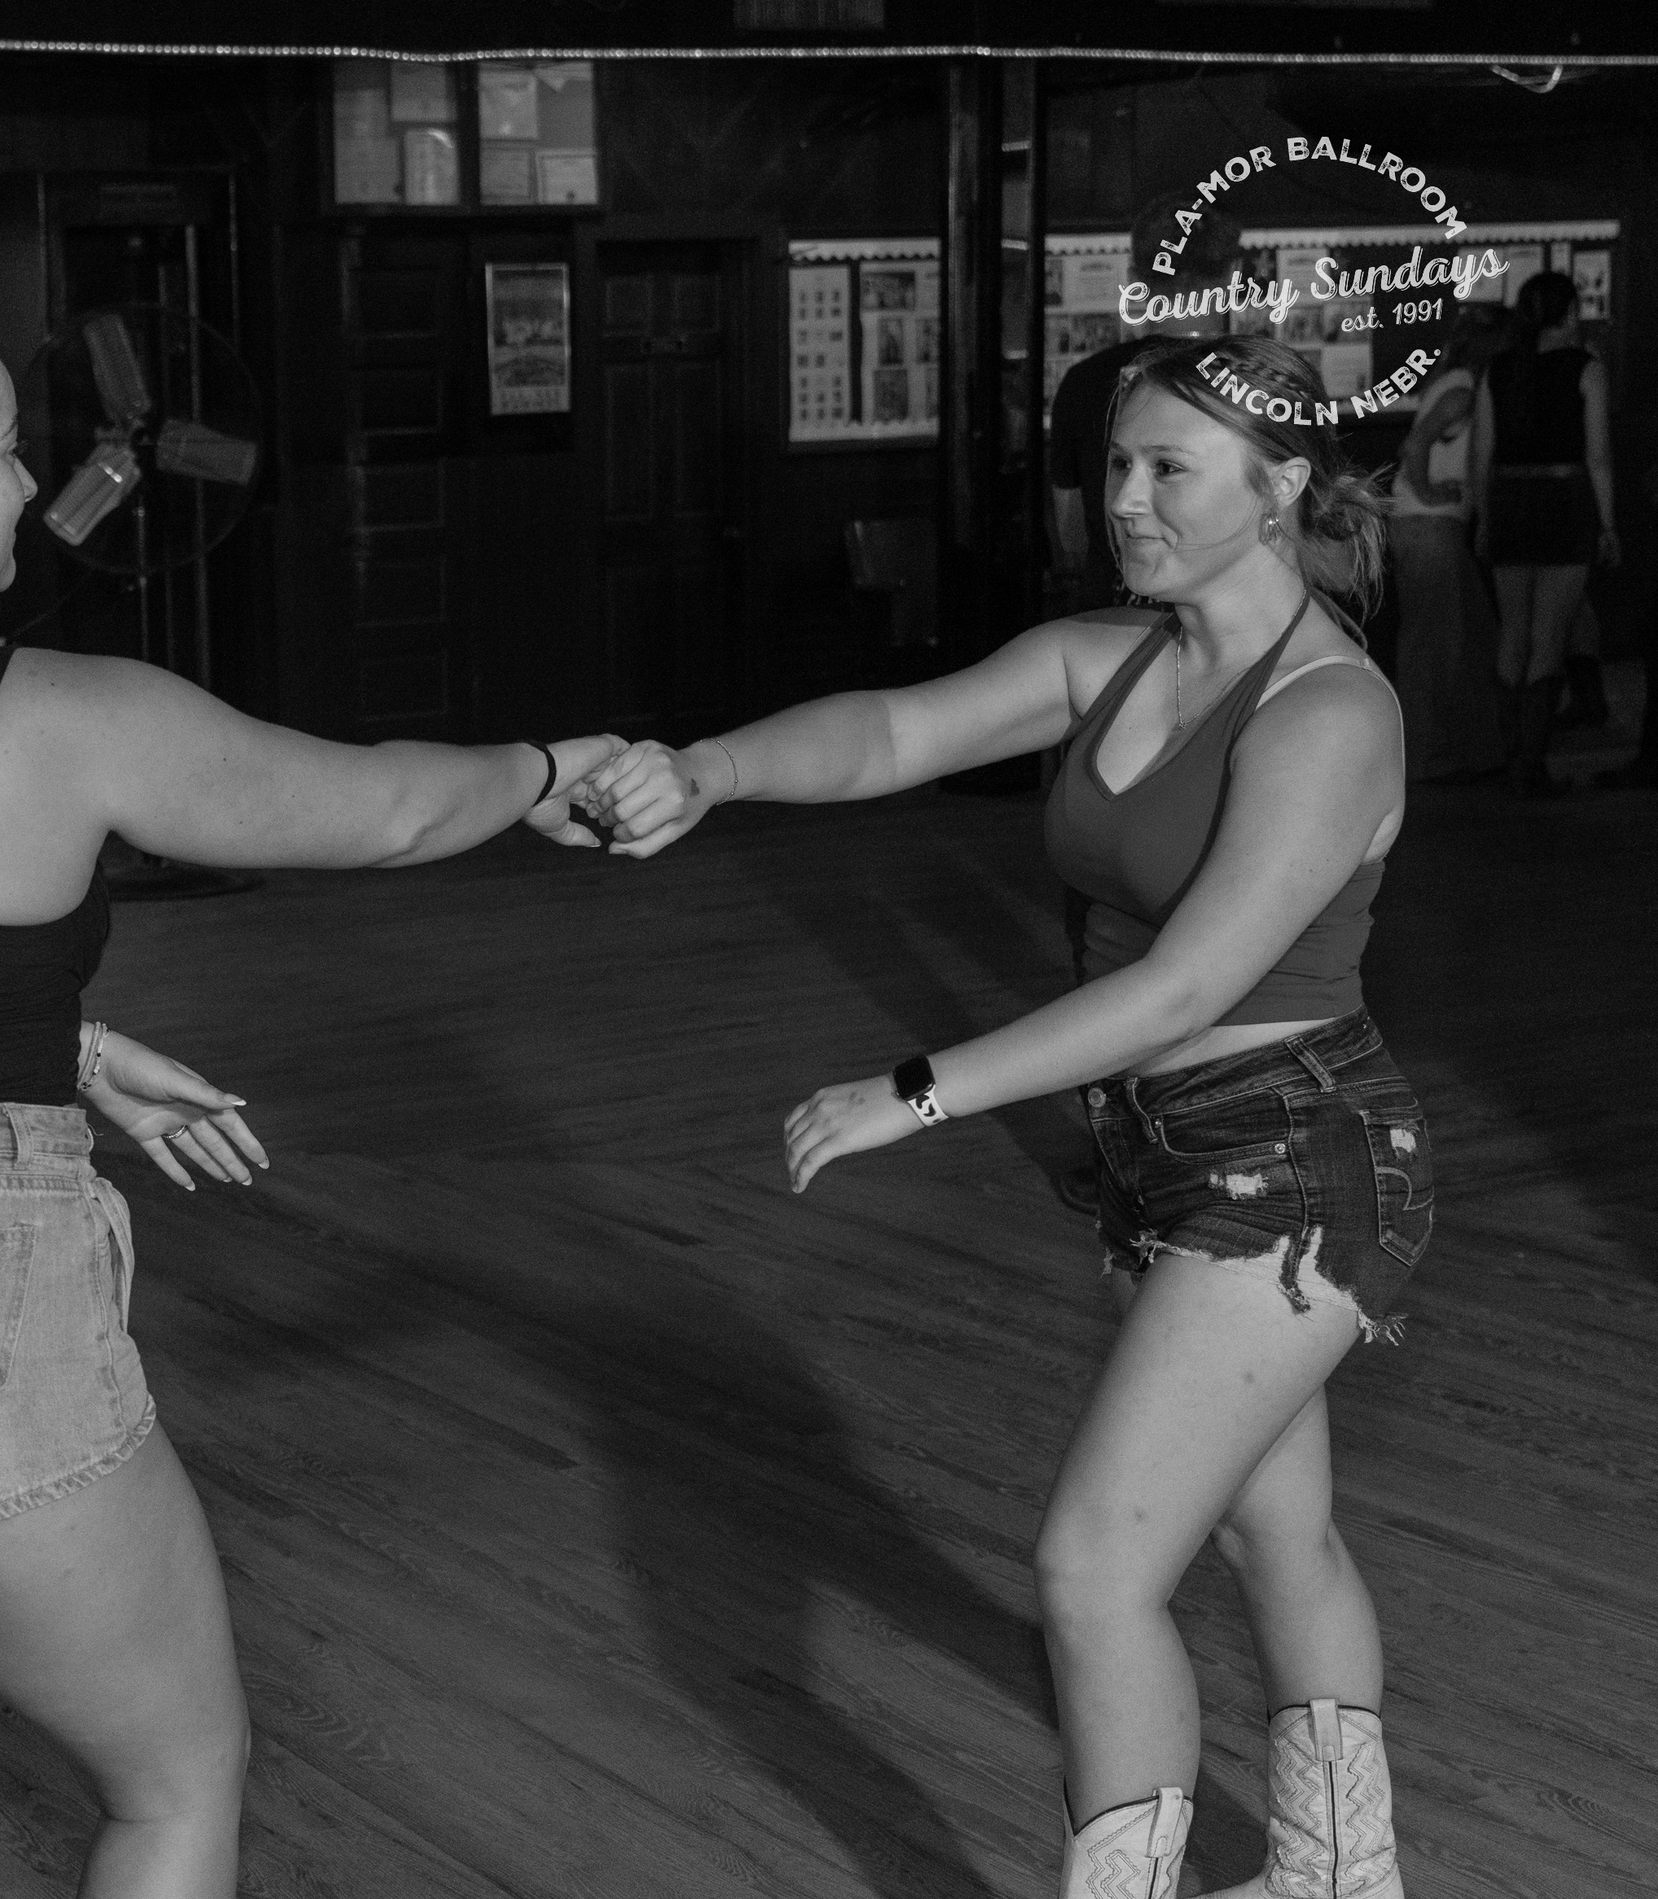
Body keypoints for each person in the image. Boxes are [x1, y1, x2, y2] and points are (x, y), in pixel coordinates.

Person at [0, 297, 621, 1898]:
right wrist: (550, 766)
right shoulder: (52, 708)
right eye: (4, 455)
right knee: (173, 1785)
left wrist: (73, 1049)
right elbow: (379, 810)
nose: (35, 485)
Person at [591, 335, 1428, 1899]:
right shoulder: (1104, 656)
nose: (1122, 499)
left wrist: (921, 1089)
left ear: (1278, 488)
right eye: (1112, 463)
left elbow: (1185, 987)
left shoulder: (1328, 712)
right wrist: (709, 767)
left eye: (1166, 467)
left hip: (1292, 1161)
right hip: (1153, 1154)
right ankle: (1338, 1880)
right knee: (1273, 1531)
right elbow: (895, 732)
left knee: (1091, 1567)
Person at [1048, 195, 1244, 612]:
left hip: (1117, 619)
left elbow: (1073, 535)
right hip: (1234, 619)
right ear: (1233, 273)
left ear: (1136, 278)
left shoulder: (1085, 381)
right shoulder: (1268, 379)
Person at [1474, 270, 1615, 797]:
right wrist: (1608, 523)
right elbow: (1598, 456)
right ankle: (1530, 766)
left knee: (1512, 632)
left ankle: (1509, 754)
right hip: (1565, 499)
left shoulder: (1498, 369)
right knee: (1550, 634)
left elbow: (1481, 455)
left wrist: (1484, 517)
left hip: (1510, 500)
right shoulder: (1586, 369)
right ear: (1569, 313)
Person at [1387, 302, 1510, 783]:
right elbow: (1415, 445)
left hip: (1427, 528)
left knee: (1464, 637)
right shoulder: (1462, 392)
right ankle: (1426, 757)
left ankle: (1463, 750)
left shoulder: (1452, 384)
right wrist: (1431, 493)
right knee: (1437, 645)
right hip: (1430, 528)